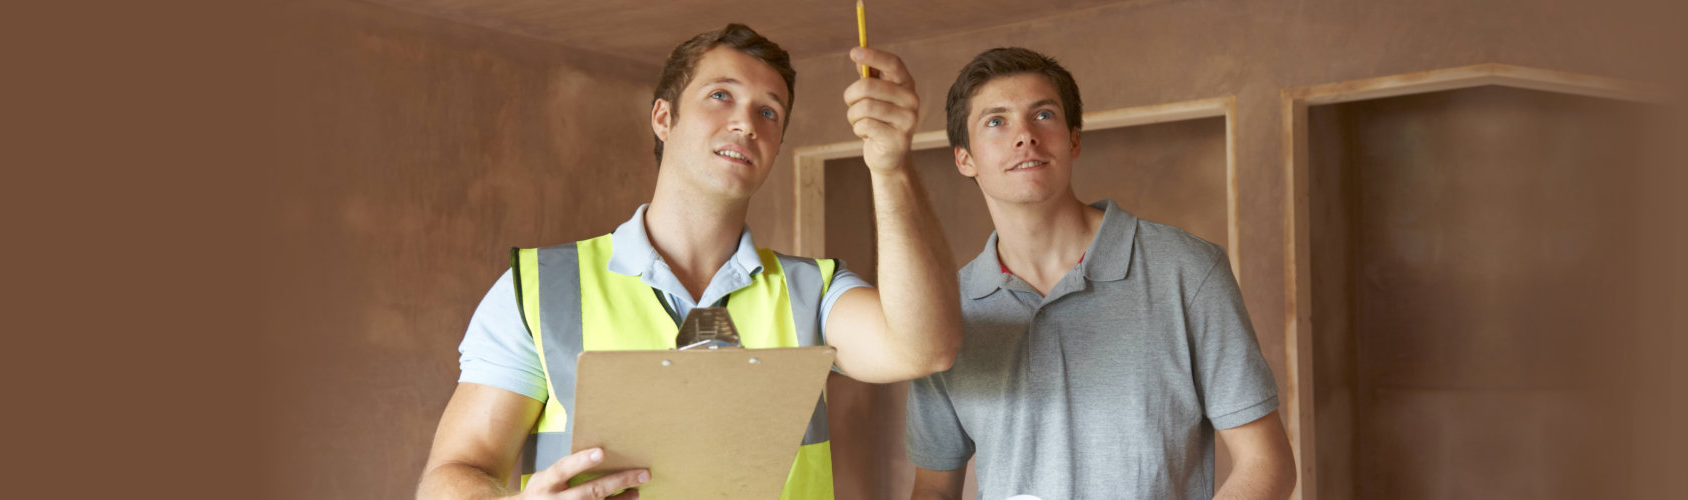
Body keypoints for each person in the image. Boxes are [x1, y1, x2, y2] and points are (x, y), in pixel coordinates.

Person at [417, 24, 960, 500]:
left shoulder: (813, 291)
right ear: (663, 117)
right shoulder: (539, 289)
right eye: (721, 95)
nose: (746, 123)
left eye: (769, 111)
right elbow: (452, 475)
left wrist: (891, 168)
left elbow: (925, 346)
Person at [904, 47, 1296, 500]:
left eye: (1044, 115)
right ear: (965, 159)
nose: (1025, 136)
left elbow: (1266, 464)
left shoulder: (1187, 270)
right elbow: (933, 488)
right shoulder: (944, 310)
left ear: (1073, 140)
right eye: (996, 121)